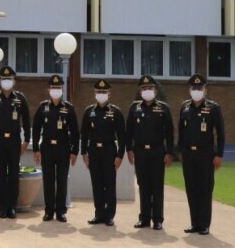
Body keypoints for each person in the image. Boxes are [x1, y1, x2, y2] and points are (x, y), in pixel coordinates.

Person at [126, 75, 174, 230]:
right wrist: (129, 149)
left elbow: (170, 132)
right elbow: (129, 131)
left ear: (155, 91)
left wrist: (169, 152)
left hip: (157, 152)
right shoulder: (135, 108)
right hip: (140, 152)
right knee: (143, 184)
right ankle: (144, 218)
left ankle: (158, 219)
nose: (147, 90)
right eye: (144, 88)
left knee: (157, 186)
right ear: (140, 91)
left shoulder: (163, 108)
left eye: (150, 88)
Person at [179, 74, 225, 235]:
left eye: (199, 88)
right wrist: (181, 151)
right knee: (191, 188)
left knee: (205, 189)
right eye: (194, 88)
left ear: (205, 90)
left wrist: (219, 155)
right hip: (188, 154)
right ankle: (195, 223)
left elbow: (220, 133)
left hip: (205, 154)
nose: (196, 90)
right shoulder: (185, 107)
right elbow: (181, 131)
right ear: (189, 89)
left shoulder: (213, 108)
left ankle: (204, 224)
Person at [0, 65, 31, 219]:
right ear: (0, 81)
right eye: (4, 79)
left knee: (14, 173)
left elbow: (27, 120)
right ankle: (2, 206)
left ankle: (12, 206)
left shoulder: (20, 98)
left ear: (14, 81)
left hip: (15, 140)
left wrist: (27, 140)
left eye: (9, 79)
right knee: (0, 174)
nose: (6, 81)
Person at [32, 74, 78, 223]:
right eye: (53, 87)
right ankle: (49, 211)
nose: (55, 90)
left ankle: (61, 212)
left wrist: (74, 151)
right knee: (48, 180)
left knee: (62, 180)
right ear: (48, 89)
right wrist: (36, 149)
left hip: (63, 149)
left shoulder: (68, 108)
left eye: (58, 87)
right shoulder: (43, 107)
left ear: (62, 89)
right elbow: (36, 129)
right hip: (47, 148)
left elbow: (75, 131)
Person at [80, 78, 124, 226]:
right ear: (94, 94)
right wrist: (84, 153)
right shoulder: (89, 111)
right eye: (99, 91)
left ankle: (109, 215)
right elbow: (84, 134)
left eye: (104, 92)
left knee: (109, 184)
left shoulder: (115, 112)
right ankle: (99, 214)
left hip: (109, 151)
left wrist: (120, 155)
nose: (101, 94)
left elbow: (122, 135)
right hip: (93, 151)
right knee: (97, 184)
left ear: (109, 94)